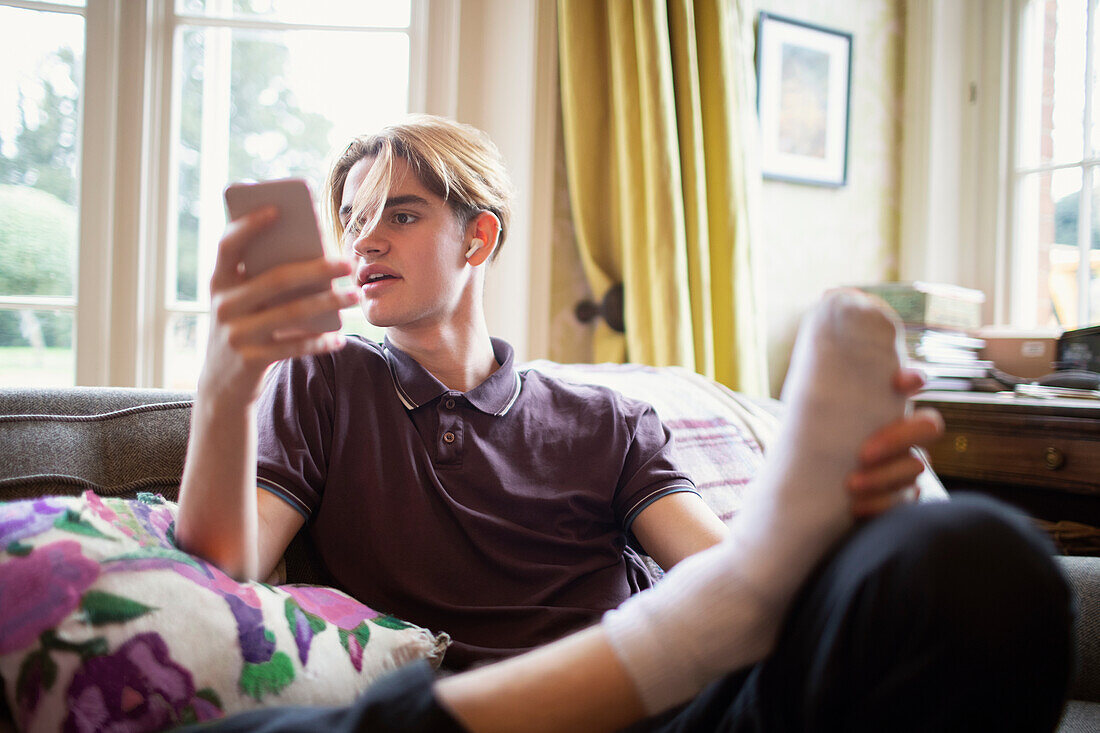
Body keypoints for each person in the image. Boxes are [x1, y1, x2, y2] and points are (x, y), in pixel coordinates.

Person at [177, 116, 1073, 731]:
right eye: (353, 218)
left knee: (979, 552)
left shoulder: (601, 418)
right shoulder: (323, 381)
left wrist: (840, 542)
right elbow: (227, 569)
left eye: (400, 214)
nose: (364, 238)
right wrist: (227, 386)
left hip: (676, 715)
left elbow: (727, 574)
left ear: (477, 238)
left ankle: (689, 633)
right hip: (452, 715)